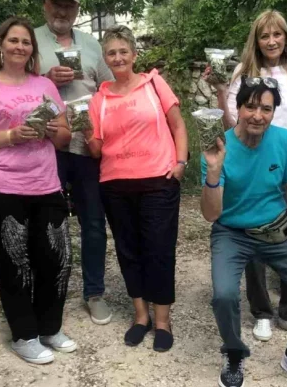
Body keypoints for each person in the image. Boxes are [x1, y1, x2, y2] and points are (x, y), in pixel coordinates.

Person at [0, 17, 74, 365]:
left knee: (56, 259)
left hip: (45, 184)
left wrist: (54, 130)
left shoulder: (45, 87)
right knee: (15, 262)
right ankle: (24, 335)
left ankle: (50, 328)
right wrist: (10, 135)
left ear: (32, 50)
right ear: (1, 46)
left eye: (26, 42)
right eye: (13, 41)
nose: (20, 47)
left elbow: (66, 137)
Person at [201, 77, 287, 387]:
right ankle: (233, 352)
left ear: (274, 112)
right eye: (251, 106)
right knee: (224, 295)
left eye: (266, 108)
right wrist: (215, 172)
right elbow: (210, 214)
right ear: (239, 107)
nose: (258, 115)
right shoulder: (218, 147)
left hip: (276, 231)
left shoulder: (285, 141)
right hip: (231, 231)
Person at [207, 9, 287, 341]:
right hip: (253, 162)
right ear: (256, 40)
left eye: (277, 34)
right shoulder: (243, 72)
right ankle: (261, 311)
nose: (271, 41)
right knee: (251, 234)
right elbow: (230, 123)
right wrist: (219, 89)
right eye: (264, 35)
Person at [84, 25, 188, 352]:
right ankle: (140, 317)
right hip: (115, 184)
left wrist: (181, 162)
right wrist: (84, 131)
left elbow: (178, 124)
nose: (118, 57)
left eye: (123, 51)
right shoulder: (98, 99)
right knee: (129, 251)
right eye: (111, 53)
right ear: (105, 58)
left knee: (158, 250)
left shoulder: (154, 83)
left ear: (134, 54)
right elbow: (97, 150)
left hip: (158, 180)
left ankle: (162, 320)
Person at [35, 0, 115, 325]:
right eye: (57, 3)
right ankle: (48, 290)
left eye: (69, 4)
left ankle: (94, 292)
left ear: (77, 9)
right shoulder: (31, 39)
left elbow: (109, 87)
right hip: (43, 144)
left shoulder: (92, 44)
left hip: (85, 143)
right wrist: (46, 78)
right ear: (46, 4)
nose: (62, 10)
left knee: (94, 222)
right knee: (46, 221)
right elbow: (13, 84)